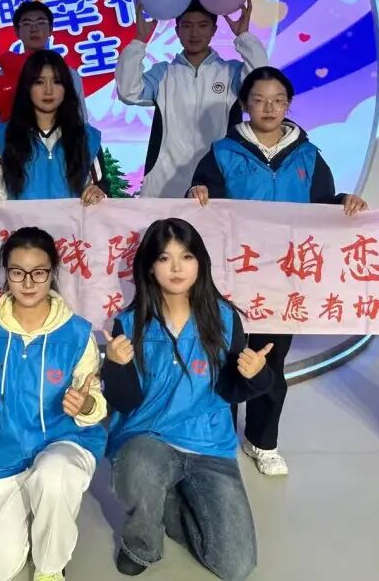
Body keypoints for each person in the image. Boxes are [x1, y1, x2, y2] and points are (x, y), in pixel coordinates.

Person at [188, 66, 368, 476]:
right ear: (244, 104)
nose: (268, 108)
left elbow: (323, 206)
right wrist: (195, 191)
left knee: (271, 359)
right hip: (233, 277)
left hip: (284, 279)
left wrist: (344, 201)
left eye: (277, 100)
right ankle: (219, 437)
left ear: (288, 104)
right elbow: (201, 203)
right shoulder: (222, 152)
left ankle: (262, 440)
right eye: (258, 100)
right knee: (227, 355)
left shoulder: (308, 155)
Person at [102, 218, 273, 579]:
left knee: (237, 566)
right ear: (150, 266)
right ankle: (142, 542)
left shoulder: (224, 318)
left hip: (208, 444)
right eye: (164, 258)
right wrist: (115, 367)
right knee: (138, 466)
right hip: (148, 438)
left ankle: (169, 502)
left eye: (187, 256)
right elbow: (125, 402)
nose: (177, 268)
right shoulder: (129, 323)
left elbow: (229, 390)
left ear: (200, 263)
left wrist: (256, 375)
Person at [0, 227, 107, 581]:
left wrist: (85, 405)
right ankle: (28, 514)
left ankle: (50, 566)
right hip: (3, 453)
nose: (28, 282)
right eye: (17, 272)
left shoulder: (77, 333)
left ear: (53, 272)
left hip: (64, 444)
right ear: (6, 273)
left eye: (38, 272)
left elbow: (94, 403)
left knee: (53, 475)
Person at [115, 0, 267, 198]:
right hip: (165, 185)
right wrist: (139, 41)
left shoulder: (231, 72)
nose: (194, 33)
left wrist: (244, 36)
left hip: (218, 182)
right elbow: (128, 92)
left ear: (214, 30)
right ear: (177, 30)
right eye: (187, 26)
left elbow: (261, 83)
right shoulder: (163, 73)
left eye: (203, 25)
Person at [0, 50, 107, 207]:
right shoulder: (6, 135)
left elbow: (101, 188)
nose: (48, 90)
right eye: (39, 82)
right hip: (21, 223)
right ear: (27, 87)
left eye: (57, 82)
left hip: (71, 224)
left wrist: (99, 193)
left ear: (67, 88)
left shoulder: (87, 138)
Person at [0, 0, 87, 153]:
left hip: (59, 152)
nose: (34, 28)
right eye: (26, 23)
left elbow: (80, 118)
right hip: (16, 154)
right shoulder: (2, 75)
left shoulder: (68, 74)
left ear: (50, 29)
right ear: (17, 32)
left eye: (41, 22)